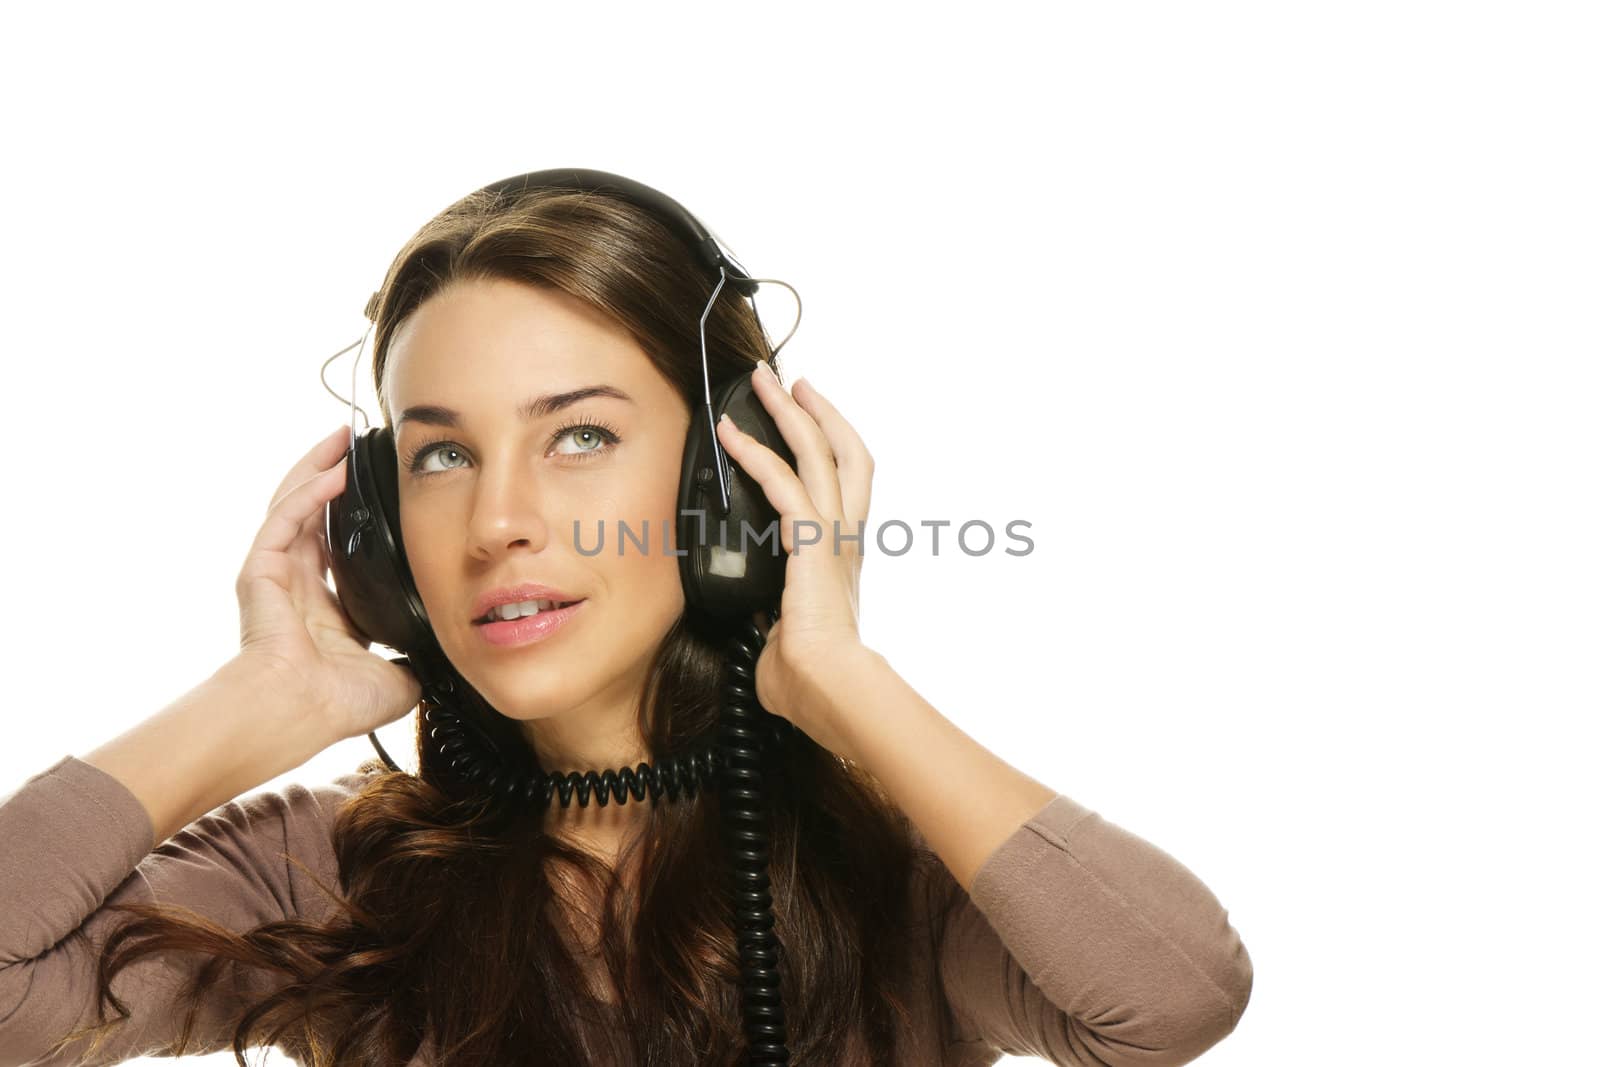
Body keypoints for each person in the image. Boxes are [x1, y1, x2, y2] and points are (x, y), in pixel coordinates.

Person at [0, 179, 1253, 1066]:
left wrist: (832, 666)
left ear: (732, 481)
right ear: (378, 527)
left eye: (581, 434)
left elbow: (1169, 1001)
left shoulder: (902, 872)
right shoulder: (327, 877)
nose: (497, 520)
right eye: (439, 457)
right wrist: (253, 701)